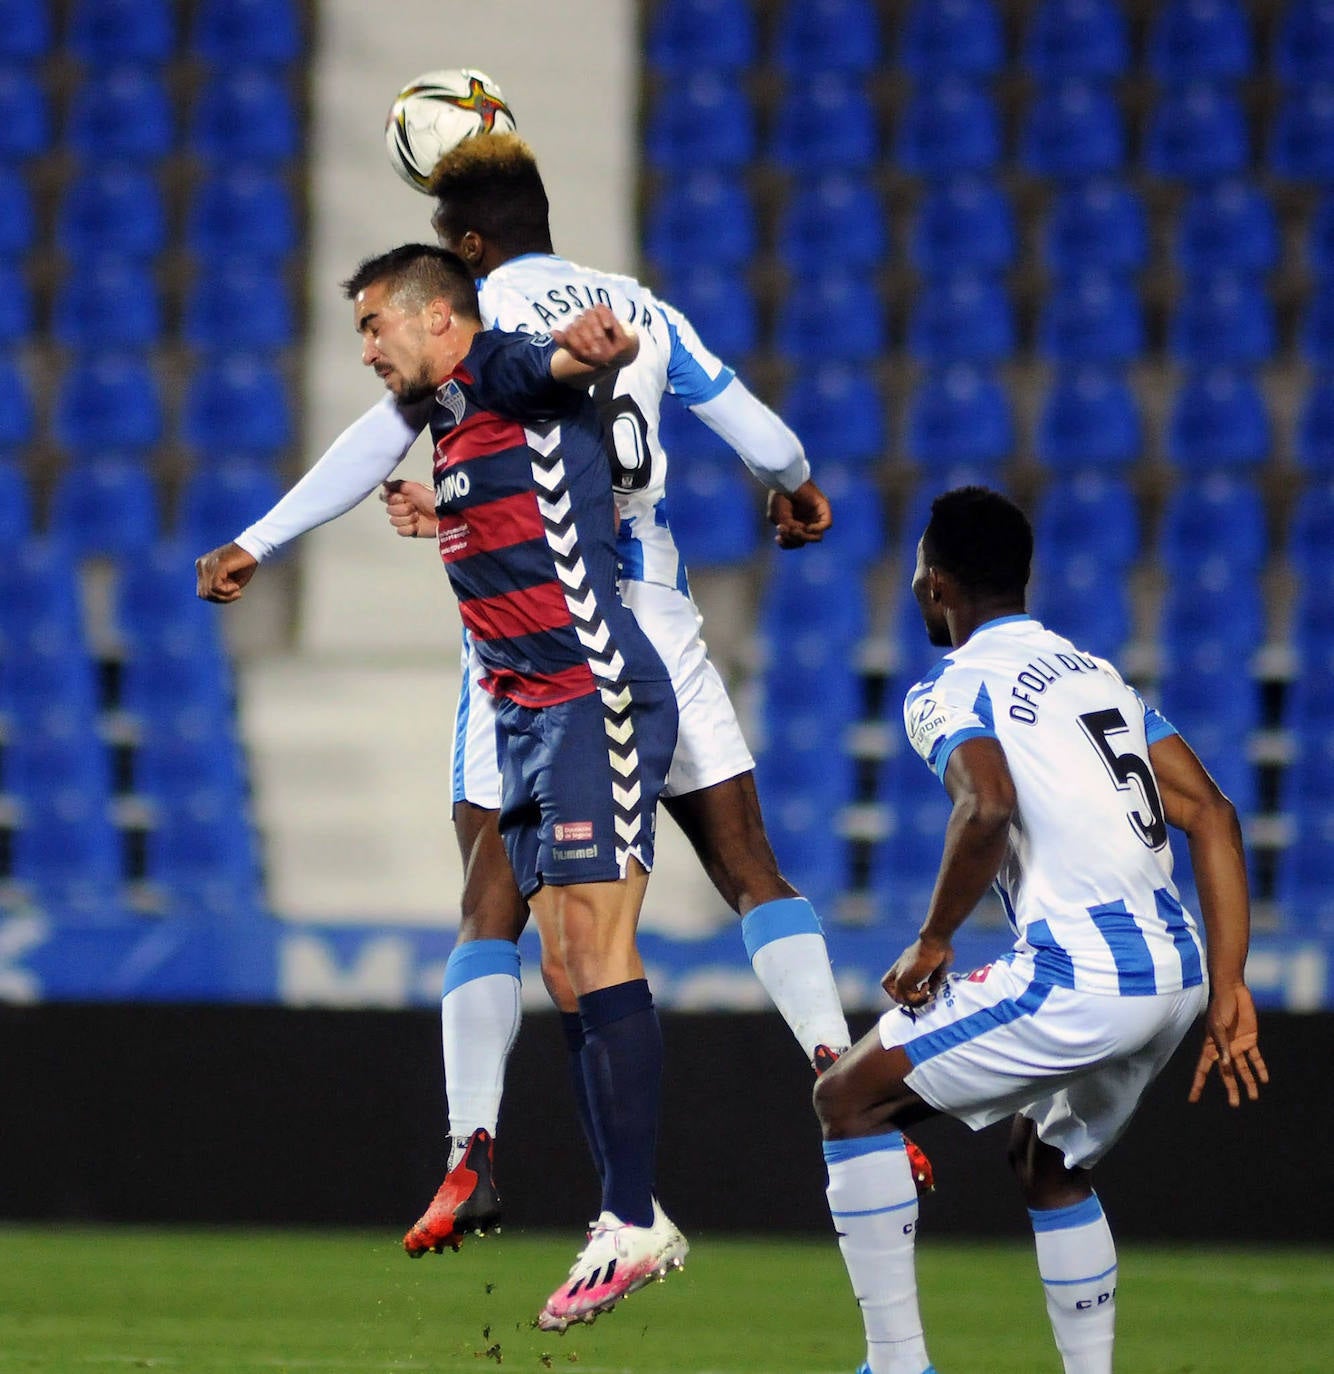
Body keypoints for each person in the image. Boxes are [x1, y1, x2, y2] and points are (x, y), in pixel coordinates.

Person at [195, 130, 932, 1258]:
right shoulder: (646, 308)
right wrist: (793, 491)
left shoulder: (476, 327)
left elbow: (378, 437)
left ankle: (477, 1152)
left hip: (545, 637)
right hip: (662, 618)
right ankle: (843, 1072)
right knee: (747, 867)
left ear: (469, 251)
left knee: (498, 906)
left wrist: (261, 537)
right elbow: (766, 439)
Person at [812, 486, 1268, 1374]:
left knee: (848, 1099)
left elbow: (985, 807)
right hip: (1175, 975)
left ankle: (896, 1364)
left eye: (916, 574)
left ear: (936, 585)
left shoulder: (951, 686)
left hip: (1086, 975)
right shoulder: (1094, 674)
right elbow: (1211, 814)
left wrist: (936, 939)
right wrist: (1232, 980)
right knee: (1047, 1156)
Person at [355, 243, 684, 1329]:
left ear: (435, 320)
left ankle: (631, 1219)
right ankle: (621, 1216)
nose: (366, 349)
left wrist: (581, 349)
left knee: (596, 946)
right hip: (524, 713)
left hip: (590, 692)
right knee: (560, 962)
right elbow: (520, 511)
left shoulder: (491, 368)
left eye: (375, 326)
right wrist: (438, 518)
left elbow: (538, 371)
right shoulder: (457, 423)